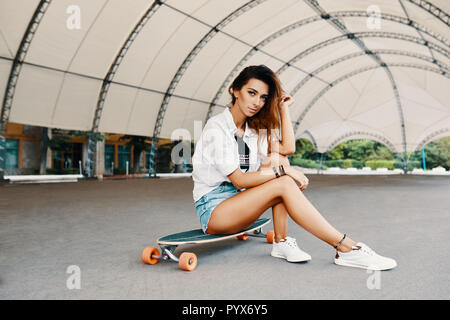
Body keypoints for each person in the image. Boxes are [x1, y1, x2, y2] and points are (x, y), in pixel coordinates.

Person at [192, 65, 397, 271]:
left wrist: (283, 109)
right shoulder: (216, 127)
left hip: (240, 203)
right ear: (236, 91)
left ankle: (281, 242)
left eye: (263, 97)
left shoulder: (253, 130)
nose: (257, 102)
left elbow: (287, 149)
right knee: (283, 179)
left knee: (278, 159)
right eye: (251, 93)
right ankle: (345, 247)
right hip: (215, 212)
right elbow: (239, 180)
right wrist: (284, 173)